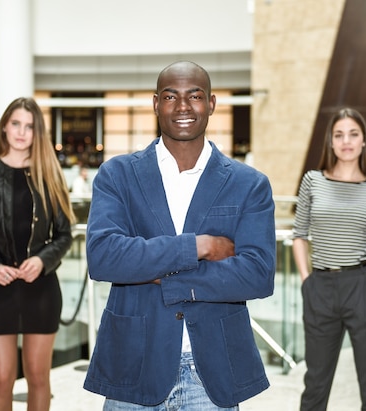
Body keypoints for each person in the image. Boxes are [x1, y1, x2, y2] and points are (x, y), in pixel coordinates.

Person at [83, 61, 276, 410]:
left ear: (212, 104)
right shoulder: (117, 175)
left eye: (195, 96)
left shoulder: (249, 184)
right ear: (156, 104)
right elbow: (104, 257)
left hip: (212, 370)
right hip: (135, 363)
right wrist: (198, 246)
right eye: (171, 96)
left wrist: (164, 275)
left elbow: (257, 275)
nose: (183, 106)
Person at [0, 97, 74, 411]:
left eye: (30, 126)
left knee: (38, 378)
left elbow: (65, 235)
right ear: (4, 127)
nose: (22, 132)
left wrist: (42, 260)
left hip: (41, 288)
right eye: (16, 124)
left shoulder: (50, 174)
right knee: (1, 379)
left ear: (38, 133)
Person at [292, 107, 366, 410]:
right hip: (320, 285)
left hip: (364, 286)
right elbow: (300, 235)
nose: (346, 141)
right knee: (316, 382)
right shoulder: (312, 181)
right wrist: (307, 280)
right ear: (331, 142)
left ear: (363, 141)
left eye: (353, 134)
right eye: (339, 135)